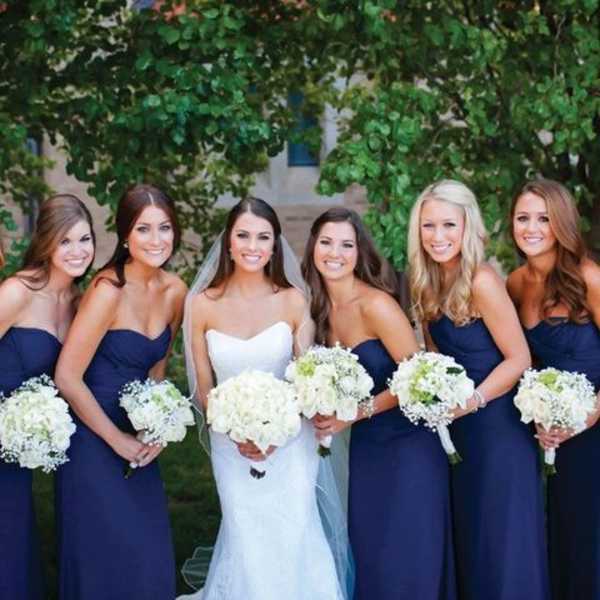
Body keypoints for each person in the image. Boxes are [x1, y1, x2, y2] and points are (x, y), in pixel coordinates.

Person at [180, 196, 350, 600]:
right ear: (228, 242)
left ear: (275, 245)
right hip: (231, 444)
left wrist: (277, 433)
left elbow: (306, 380)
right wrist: (236, 431)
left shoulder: (293, 300)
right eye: (243, 236)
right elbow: (203, 389)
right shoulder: (201, 305)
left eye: (263, 237)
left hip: (291, 444)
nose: (252, 246)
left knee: (293, 534)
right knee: (247, 538)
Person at [302, 207, 456, 600]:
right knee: (372, 554)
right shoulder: (318, 310)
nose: (335, 253)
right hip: (368, 448)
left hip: (410, 447)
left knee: (406, 555)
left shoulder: (376, 305)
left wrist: (356, 412)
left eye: (346, 245)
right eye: (326, 242)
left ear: (359, 253)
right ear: (313, 247)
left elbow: (418, 379)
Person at [408, 180, 549, 600]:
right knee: (473, 543)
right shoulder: (424, 281)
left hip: (499, 431)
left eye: (448, 225)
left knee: (503, 545)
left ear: (467, 226)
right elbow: (437, 356)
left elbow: (519, 358)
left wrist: (472, 401)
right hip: (458, 432)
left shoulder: (482, 280)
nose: (438, 236)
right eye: (428, 225)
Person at [55, 184, 186, 600]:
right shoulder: (107, 290)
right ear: (126, 235)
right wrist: (117, 440)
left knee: (150, 565)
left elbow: (157, 372)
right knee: (103, 566)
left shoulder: (176, 292)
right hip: (92, 441)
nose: (156, 239)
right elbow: (67, 377)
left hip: (138, 443)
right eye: (143, 229)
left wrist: (158, 429)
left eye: (164, 228)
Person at [507, 178, 600, 600]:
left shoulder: (588, 277)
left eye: (543, 219)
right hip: (550, 435)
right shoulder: (514, 283)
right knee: (559, 539)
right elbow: (522, 360)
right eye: (522, 218)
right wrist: (538, 416)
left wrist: (590, 414)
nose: (531, 228)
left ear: (562, 223)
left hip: (594, 430)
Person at [0, 194, 95, 600]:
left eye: (85, 239)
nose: (77, 251)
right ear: (46, 243)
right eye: (65, 241)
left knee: (14, 543)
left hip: (19, 447)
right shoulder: (17, 292)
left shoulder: (79, 303)